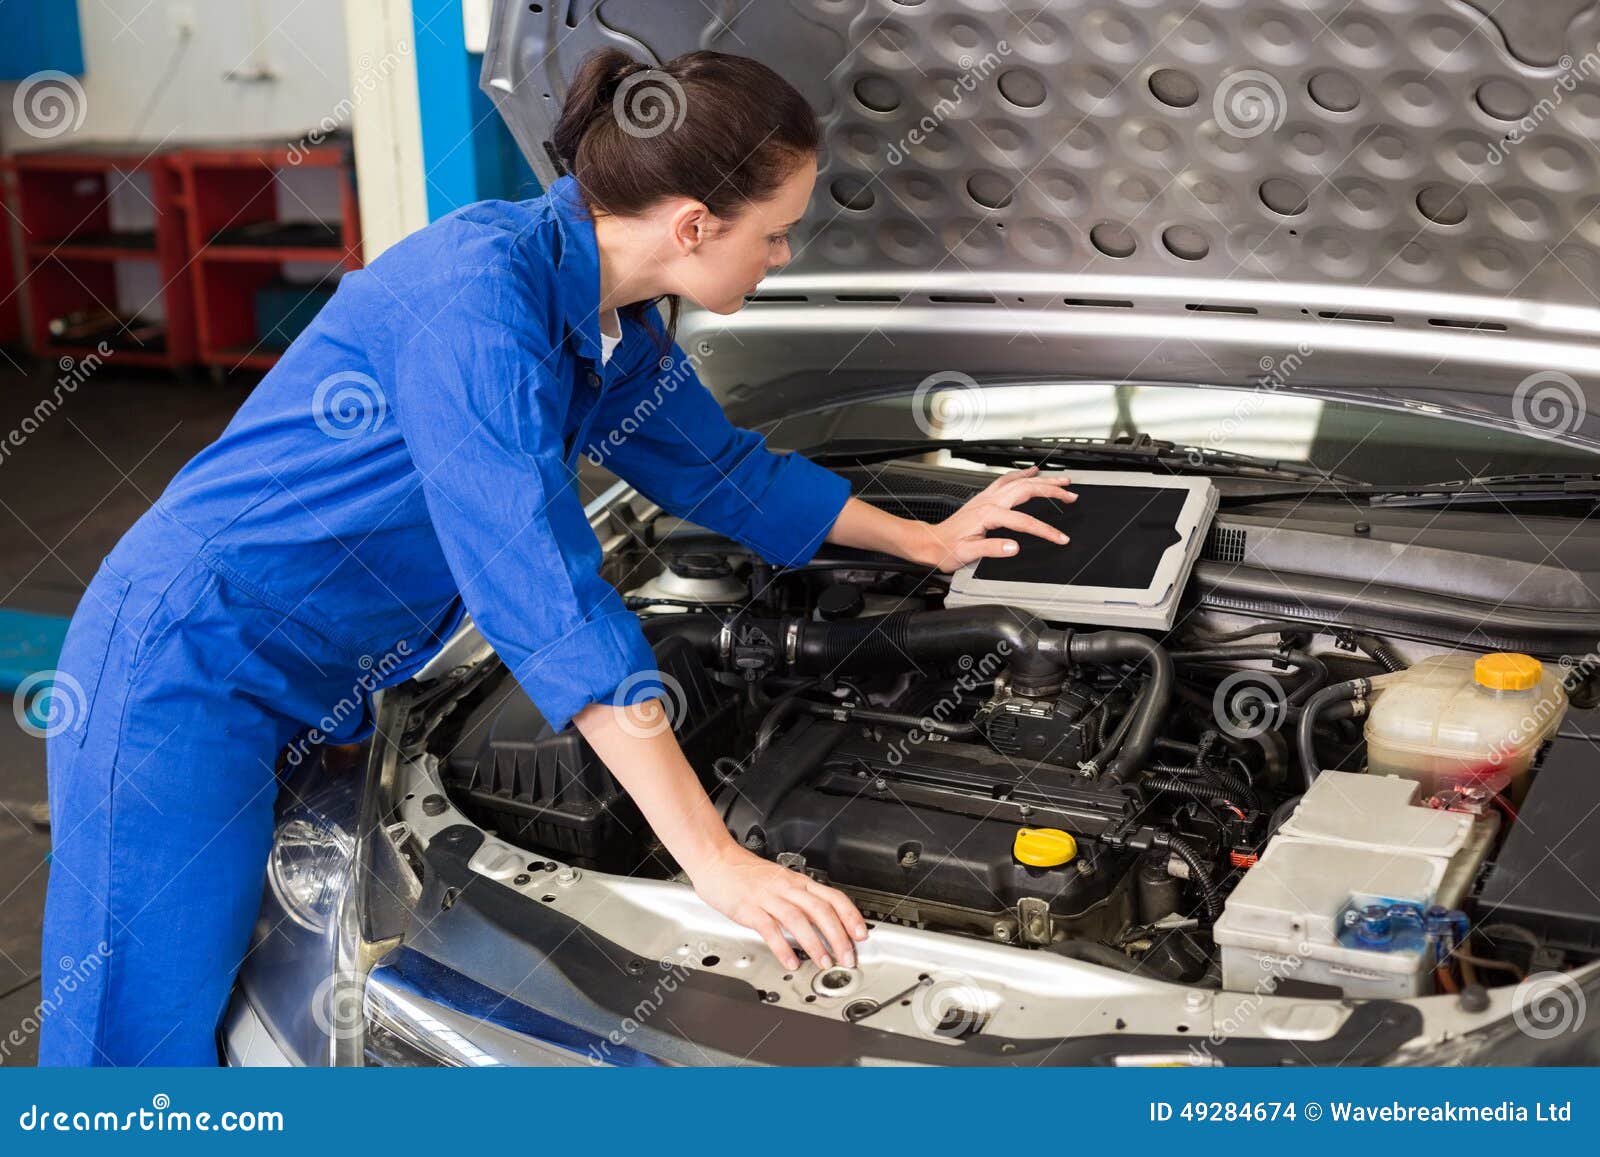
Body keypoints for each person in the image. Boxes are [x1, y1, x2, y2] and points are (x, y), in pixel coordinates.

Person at [39, 48, 1075, 1066]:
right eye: (779, 233)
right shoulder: (478, 302)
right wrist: (715, 861)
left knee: (226, 993)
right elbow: (543, 595)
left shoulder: (612, 323)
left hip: (325, 670)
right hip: (190, 661)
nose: (784, 257)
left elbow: (725, 474)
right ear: (692, 225)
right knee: (136, 1032)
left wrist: (925, 537)